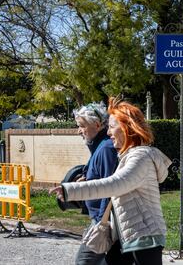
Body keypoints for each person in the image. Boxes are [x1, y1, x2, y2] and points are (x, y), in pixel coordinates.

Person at [50, 97, 171, 265]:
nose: (108, 132)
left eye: (112, 127)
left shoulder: (140, 158)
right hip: (128, 234)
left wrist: (71, 190)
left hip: (144, 237)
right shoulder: (128, 156)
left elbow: (114, 184)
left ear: (126, 128)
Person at [72, 102, 118, 265]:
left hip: (102, 221)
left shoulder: (105, 149)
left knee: (83, 261)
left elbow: (109, 187)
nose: (79, 131)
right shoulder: (99, 146)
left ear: (97, 125)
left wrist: (101, 224)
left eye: (82, 126)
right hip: (101, 219)